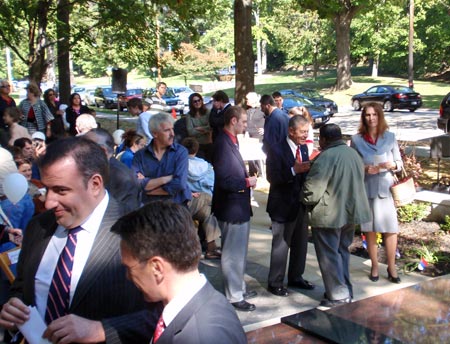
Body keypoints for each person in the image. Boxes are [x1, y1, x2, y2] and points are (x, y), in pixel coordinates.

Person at [0, 137, 157, 343]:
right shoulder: (38, 227)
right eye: (47, 189)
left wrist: (102, 330)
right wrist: (15, 305)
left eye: (61, 190)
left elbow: (165, 315)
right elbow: (22, 286)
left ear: (95, 184)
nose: (48, 202)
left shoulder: (141, 233)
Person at [111, 201, 247, 344]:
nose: (127, 276)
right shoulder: (210, 303)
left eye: (129, 268)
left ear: (157, 268)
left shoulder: (200, 337)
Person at [302, 123, 371, 308]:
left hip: (329, 215)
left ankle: (338, 294)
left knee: (329, 255)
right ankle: (344, 289)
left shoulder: (326, 157)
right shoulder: (353, 154)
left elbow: (312, 192)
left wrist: (302, 197)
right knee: (342, 253)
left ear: (323, 139)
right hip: (350, 213)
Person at [351, 102, 403, 284]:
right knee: (370, 230)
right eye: (367, 115)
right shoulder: (356, 140)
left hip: (385, 190)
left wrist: (393, 165)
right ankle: (374, 265)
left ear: (380, 116)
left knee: (391, 230)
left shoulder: (390, 137)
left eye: (374, 115)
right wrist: (364, 168)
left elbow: (399, 162)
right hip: (367, 190)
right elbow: (352, 165)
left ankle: (391, 266)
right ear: (363, 118)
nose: (371, 118)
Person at [212, 106, 257, 312]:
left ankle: (239, 287)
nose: (246, 125)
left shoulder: (233, 141)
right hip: (231, 207)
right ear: (233, 121)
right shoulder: (222, 143)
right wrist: (248, 181)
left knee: (240, 252)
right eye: (244, 121)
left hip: (239, 207)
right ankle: (234, 296)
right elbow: (226, 180)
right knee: (232, 253)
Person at [266, 115, 315, 297]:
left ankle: (296, 277)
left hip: (300, 204)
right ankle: (275, 282)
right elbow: (272, 177)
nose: (305, 135)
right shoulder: (276, 149)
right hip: (282, 205)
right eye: (302, 132)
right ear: (291, 131)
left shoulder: (303, 148)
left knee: (300, 244)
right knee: (281, 246)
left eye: (307, 131)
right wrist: (294, 170)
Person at [132, 112, 191, 205]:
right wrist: (166, 179)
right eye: (167, 130)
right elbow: (136, 184)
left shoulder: (180, 152)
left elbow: (180, 184)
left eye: (172, 129)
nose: (172, 134)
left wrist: (149, 189)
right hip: (149, 208)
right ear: (155, 134)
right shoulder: (140, 156)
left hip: (175, 207)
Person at [182, 137, 221, 259]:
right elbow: (211, 184)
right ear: (196, 149)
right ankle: (211, 247)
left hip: (190, 201)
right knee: (210, 203)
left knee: (209, 213)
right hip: (190, 200)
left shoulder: (180, 163)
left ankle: (209, 247)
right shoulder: (205, 165)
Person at [84, 128, 141, 214]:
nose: (79, 151)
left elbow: (117, 214)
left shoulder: (122, 177)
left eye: (84, 147)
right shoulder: (90, 168)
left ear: (103, 150)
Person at [186, 93, 213, 162]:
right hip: (198, 145)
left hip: (209, 143)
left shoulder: (208, 112)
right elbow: (190, 132)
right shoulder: (189, 115)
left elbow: (210, 127)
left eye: (199, 100)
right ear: (191, 103)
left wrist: (199, 128)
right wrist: (205, 130)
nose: (197, 103)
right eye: (195, 101)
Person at [245, 92, 265, 177]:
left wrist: (265, 129)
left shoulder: (262, 109)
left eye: (247, 99)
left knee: (258, 156)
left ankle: (261, 173)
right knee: (250, 155)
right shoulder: (247, 110)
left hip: (258, 136)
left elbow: (269, 120)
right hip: (248, 136)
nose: (246, 100)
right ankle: (252, 172)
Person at [0, 80, 16, 147]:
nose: (7, 88)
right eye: (4, 86)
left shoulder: (11, 100)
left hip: (12, 128)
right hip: (2, 128)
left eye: (8, 86)